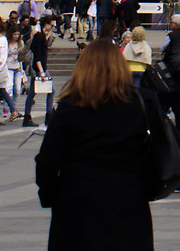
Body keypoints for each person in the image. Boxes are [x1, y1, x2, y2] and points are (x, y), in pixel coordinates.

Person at [35, 37, 160, 251]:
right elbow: (157, 152)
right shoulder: (142, 102)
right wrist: (146, 189)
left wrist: (52, 195)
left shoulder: (70, 106)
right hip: (128, 199)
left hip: (77, 201)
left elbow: (47, 161)